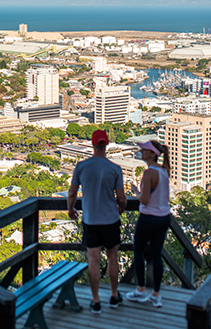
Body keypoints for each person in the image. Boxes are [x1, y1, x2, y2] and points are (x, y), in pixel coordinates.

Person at [68, 129, 127, 315]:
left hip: (90, 219)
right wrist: (121, 208)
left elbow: (72, 192)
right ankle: (114, 294)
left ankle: (95, 300)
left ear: (92, 145)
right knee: (112, 258)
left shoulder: (81, 167)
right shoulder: (114, 169)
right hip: (110, 218)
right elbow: (122, 197)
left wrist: (70, 208)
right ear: (106, 144)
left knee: (93, 259)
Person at [126, 140, 171, 308]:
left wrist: (135, 191)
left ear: (153, 154)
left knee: (138, 250)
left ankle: (141, 289)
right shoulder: (164, 170)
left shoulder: (149, 173)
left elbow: (144, 199)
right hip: (164, 216)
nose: (141, 152)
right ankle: (156, 294)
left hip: (149, 217)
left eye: (144, 150)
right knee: (156, 254)